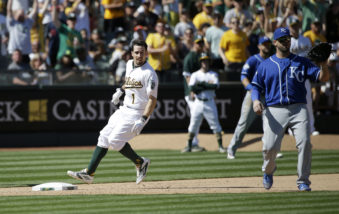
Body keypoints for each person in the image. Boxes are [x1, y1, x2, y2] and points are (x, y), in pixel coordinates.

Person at [67, 39, 158, 185]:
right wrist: (120, 91)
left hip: (137, 113)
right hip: (124, 109)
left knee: (115, 141)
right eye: (136, 52)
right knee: (103, 137)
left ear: (146, 53)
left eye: (142, 52)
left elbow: (152, 100)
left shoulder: (150, 73)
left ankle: (140, 162)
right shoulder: (129, 64)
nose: (139, 55)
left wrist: (143, 118)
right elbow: (129, 81)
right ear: (131, 53)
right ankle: (89, 173)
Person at [251, 27, 329, 191]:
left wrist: (324, 65)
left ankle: (303, 181)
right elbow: (256, 86)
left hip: (298, 108)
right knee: (269, 148)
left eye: (288, 38)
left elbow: (323, 78)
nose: (287, 41)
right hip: (274, 109)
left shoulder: (302, 61)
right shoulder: (266, 65)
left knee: (305, 143)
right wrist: (255, 101)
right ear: (275, 42)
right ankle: (268, 171)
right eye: (283, 39)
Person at [227, 36, 272, 160]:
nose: (266, 46)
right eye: (264, 44)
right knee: (243, 124)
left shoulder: (273, 60)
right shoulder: (253, 60)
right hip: (253, 95)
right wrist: (252, 89)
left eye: (268, 44)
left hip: (268, 96)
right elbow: (243, 77)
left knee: (270, 125)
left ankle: (270, 150)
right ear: (259, 46)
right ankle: (232, 148)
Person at [185, 52, 225, 153]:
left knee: (215, 125)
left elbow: (215, 86)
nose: (205, 63)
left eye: (206, 61)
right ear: (200, 62)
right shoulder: (195, 74)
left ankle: (220, 146)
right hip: (198, 102)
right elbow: (192, 87)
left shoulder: (213, 74)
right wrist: (206, 85)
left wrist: (201, 84)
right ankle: (189, 146)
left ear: (209, 62)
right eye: (203, 61)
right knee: (193, 124)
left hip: (209, 102)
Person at [287, 15, 319, 136]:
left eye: (296, 26)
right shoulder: (286, 42)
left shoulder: (305, 39)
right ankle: (291, 129)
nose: (294, 28)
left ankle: (311, 128)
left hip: (304, 74)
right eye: (292, 26)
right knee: (292, 103)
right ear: (289, 27)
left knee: (308, 102)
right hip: (291, 76)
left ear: (299, 26)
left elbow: (311, 57)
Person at [181, 35, 206, 153]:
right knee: (196, 118)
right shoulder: (190, 57)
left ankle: (192, 143)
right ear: (193, 44)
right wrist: (191, 91)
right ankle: (191, 143)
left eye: (201, 43)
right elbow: (187, 76)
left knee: (197, 118)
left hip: (198, 92)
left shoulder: (201, 55)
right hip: (191, 93)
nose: (200, 45)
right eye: (198, 43)